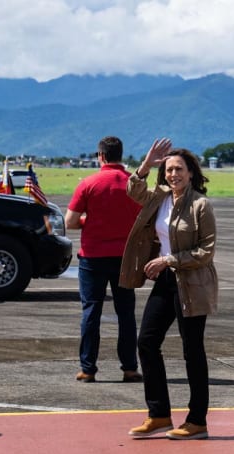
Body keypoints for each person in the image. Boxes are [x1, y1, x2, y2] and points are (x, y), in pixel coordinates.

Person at [119, 138, 218, 440]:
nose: (173, 174)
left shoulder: (200, 204)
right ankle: (159, 414)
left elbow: (206, 251)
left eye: (179, 169)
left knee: (192, 350)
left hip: (192, 283)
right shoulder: (159, 198)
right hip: (165, 282)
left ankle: (197, 420)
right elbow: (133, 190)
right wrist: (147, 163)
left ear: (191, 173)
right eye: (169, 169)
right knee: (147, 342)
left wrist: (168, 259)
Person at [66, 136, 143, 383]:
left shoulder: (88, 183)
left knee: (91, 312)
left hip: (93, 258)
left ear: (100, 156)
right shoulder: (133, 183)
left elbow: (70, 221)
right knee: (126, 314)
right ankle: (130, 367)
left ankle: (88, 368)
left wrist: (91, 221)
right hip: (125, 257)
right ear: (121, 155)